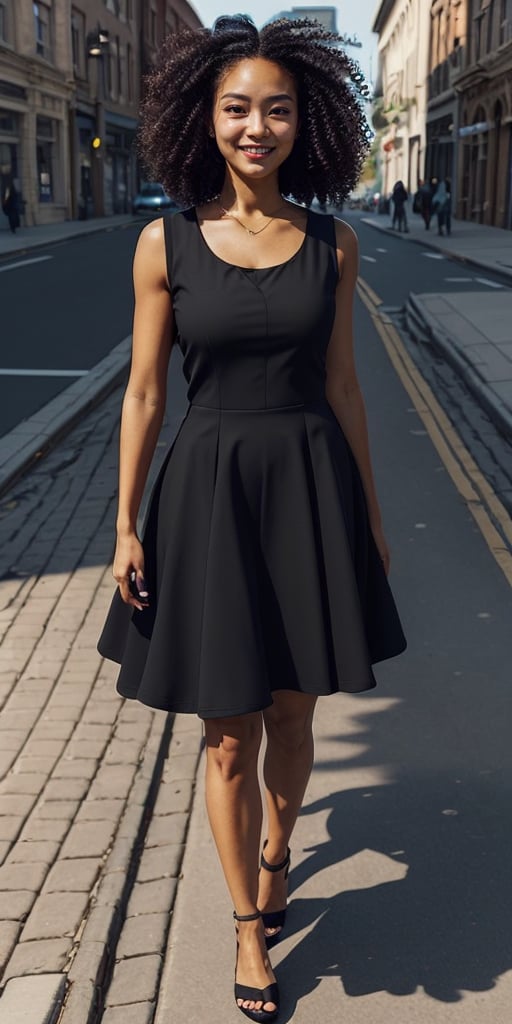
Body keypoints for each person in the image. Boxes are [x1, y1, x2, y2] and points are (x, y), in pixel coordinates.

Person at [98, 15, 406, 1021]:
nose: (255, 126)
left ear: (302, 121)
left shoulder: (335, 242)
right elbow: (144, 395)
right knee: (225, 733)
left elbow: (345, 389)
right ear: (205, 117)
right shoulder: (165, 241)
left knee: (291, 712)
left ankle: (279, 845)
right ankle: (244, 922)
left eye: (276, 108)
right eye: (237, 108)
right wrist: (126, 526)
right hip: (209, 497)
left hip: (309, 493)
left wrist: (365, 517)